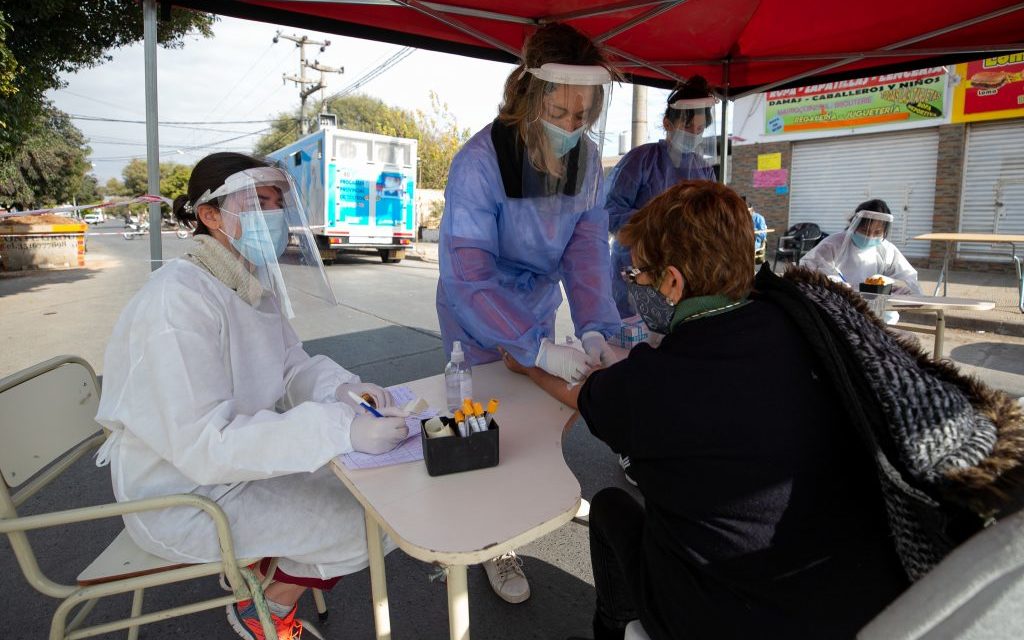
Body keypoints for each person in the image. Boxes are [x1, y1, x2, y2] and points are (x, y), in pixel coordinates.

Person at [502, 180, 1024, 639]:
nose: (633, 286)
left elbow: (581, 391)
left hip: (727, 619)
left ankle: (610, 632)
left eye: (638, 276)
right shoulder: (804, 322)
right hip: (868, 601)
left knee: (614, 508)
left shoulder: (651, 385)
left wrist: (530, 363)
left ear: (674, 283)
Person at [95, 152, 410, 640]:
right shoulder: (176, 299)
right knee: (372, 522)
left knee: (376, 497)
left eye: (278, 202)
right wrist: (339, 429)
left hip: (234, 469)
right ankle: (264, 607)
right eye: (259, 202)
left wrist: (343, 390)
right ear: (210, 215)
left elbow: (290, 367)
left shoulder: (243, 282)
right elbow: (206, 444)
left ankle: (263, 578)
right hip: (182, 495)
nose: (275, 216)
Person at [435, 23, 622, 603]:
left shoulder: (586, 161)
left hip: (536, 306)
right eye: (561, 112)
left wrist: (596, 326)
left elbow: (587, 248)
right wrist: (530, 345)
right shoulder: (478, 163)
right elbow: (468, 273)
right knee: (482, 423)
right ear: (528, 96)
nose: (571, 126)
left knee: (542, 413)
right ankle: (494, 543)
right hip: (478, 313)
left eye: (583, 115)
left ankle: (543, 491)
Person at [604, 76, 718, 319]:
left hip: (682, 274)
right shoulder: (641, 161)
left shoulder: (704, 170)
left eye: (699, 130)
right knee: (632, 333)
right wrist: (656, 225)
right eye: (688, 128)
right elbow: (608, 211)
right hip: (635, 269)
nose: (694, 135)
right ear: (668, 123)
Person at [800, 198, 922, 294]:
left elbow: (909, 279)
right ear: (854, 225)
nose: (870, 236)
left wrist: (892, 284)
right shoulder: (833, 244)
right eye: (865, 230)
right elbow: (809, 269)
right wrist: (839, 286)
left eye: (877, 232)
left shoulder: (887, 250)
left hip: (876, 307)